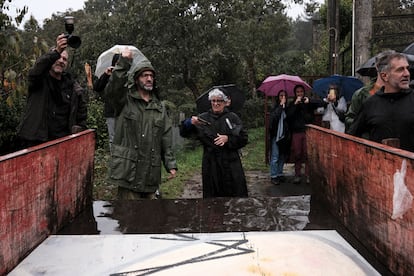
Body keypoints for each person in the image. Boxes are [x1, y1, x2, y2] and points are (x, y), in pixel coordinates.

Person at [104, 47, 177, 199]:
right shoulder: (124, 102)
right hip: (128, 173)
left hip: (151, 174)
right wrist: (124, 62)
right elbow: (113, 90)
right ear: (136, 79)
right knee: (128, 218)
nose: (149, 79)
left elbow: (166, 138)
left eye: (151, 76)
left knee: (151, 219)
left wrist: (170, 165)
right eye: (144, 75)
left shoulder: (159, 108)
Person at [17, 34, 87, 148]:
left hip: (61, 142)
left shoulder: (72, 86)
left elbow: (81, 113)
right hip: (36, 140)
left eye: (64, 59)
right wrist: (57, 51)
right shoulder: (39, 80)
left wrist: (79, 130)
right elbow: (37, 68)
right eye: (58, 57)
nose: (61, 61)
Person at [180, 88, 248, 198]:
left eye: (219, 101)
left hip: (231, 163)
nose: (216, 103)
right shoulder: (202, 118)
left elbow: (243, 138)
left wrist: (228, 139)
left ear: (225, 102)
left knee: (235, 196)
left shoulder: (232, 117)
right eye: (213, 101)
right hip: (211, 164)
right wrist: (189, 123)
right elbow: (184, 133)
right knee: (212, 197)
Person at [349, 50, 414, 152]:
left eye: (407, 68)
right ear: (385, 76)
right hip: (378, 165)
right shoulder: (370, 104)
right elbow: (352, 137)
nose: (407, 73)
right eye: (400, 70)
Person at [286, 84, 324, 184]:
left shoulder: (308, 101)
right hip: (296, 131)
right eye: (298, 92)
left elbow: (322, 103)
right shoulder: (292, 104)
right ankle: (297, 174)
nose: (300, 94)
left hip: (307, 131)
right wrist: (295, 104)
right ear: (295, 93)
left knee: (308, 154)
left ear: (304, 93)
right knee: (297, 153)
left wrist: (310, 101)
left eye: (301, 92)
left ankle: (308, 175)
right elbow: (288, 115)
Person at [345, 55, 385, 134]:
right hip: (367, 142)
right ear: (377, 67)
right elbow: (349, 119)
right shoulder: (361, 94)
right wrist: (366, 123)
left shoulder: (405, 94)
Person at [93, 54, 120, 151]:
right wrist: (105, 74)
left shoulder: (127, 76)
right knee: (113, 139)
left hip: (124, 112)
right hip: (111, 112)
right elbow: (96, 87)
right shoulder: (108, 76)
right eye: (117, 64)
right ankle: (115, 162)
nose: (118, 66)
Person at [268, 90, 290, 185]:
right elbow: (274, 118)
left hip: (285, 136)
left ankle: (279, 174)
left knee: (282, 157)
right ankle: (273, 175)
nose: (283, 97)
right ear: (278, 97)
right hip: (276, 135)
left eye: (285, 95)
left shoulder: (288, 109)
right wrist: (281, 106)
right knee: (275, 156)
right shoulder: (275, 108)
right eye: (281, 95)